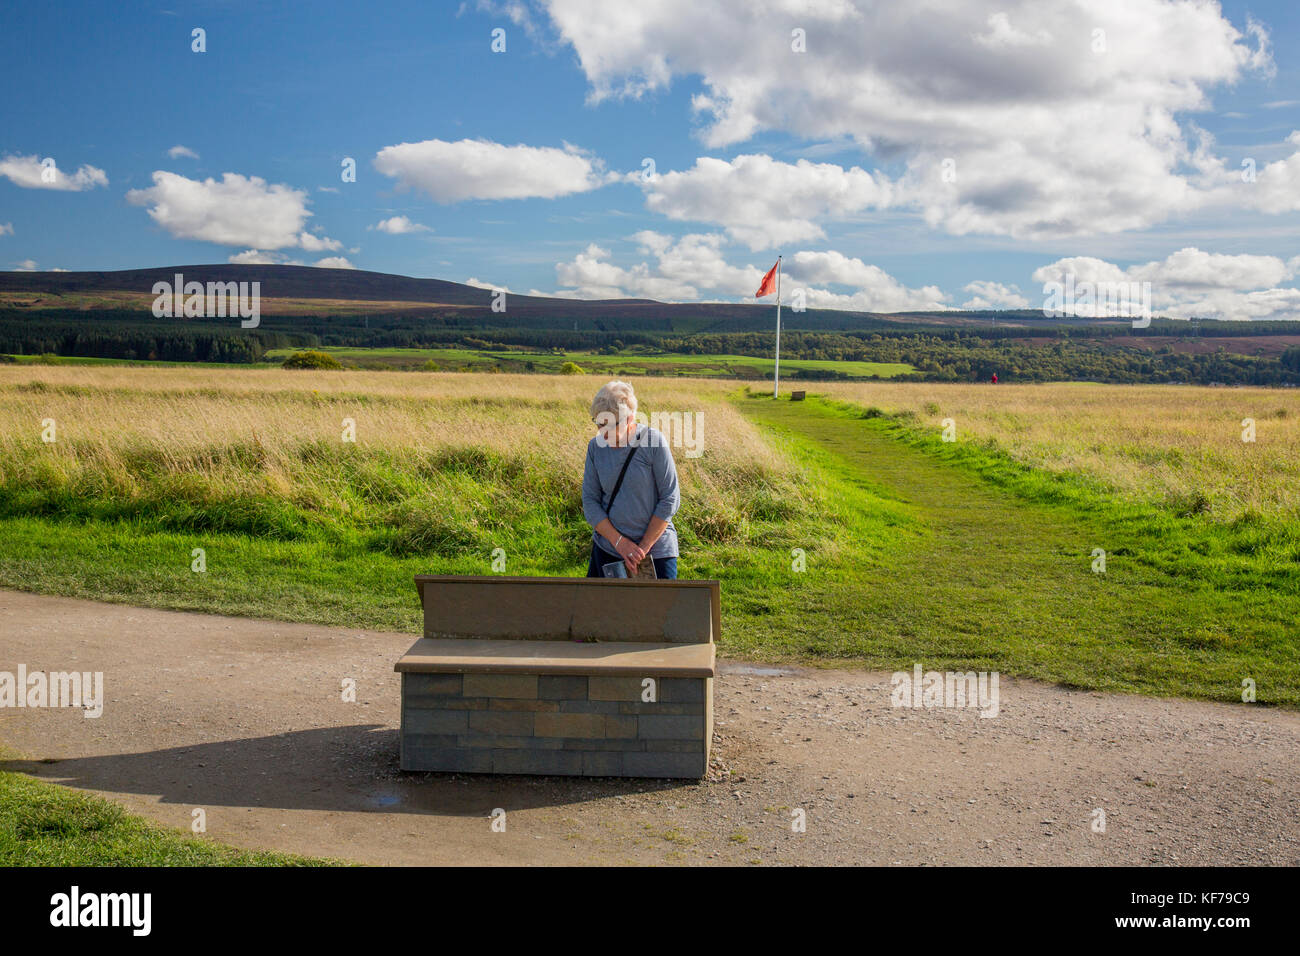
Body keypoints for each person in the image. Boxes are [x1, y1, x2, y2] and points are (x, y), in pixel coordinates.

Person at [581, 381, 680, 579]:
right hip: (608, 549)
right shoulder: (595, 447)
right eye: (599, 423)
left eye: (610, 425)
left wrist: (640, 550)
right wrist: (620, 544)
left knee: (659, 610)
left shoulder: (653, 442)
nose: (602, 431)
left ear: (630, 419)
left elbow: (670, 499)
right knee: (599, 610)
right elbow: (590, 502)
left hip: (656, 551)